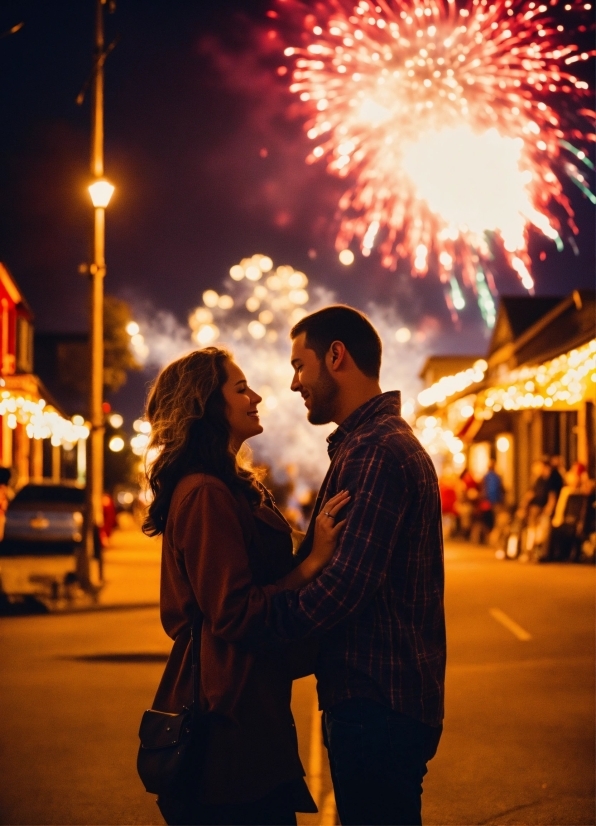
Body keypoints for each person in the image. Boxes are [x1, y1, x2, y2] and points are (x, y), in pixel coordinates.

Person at [141, 347, 350, 826]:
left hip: (248, 706)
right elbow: (235, 611)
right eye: (240, 389)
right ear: (208, 405)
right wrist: (314, 560)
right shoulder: (205, 494)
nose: (256, 396)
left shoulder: (226, 485)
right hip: (228, 719)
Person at [267, 305, 446, 826]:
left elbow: (346, 584)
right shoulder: (373, 444)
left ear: (336, 356)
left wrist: (265, 623)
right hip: (386, 700)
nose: (295, 382)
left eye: (301, 365)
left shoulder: (376, 451)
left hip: (376, 701)